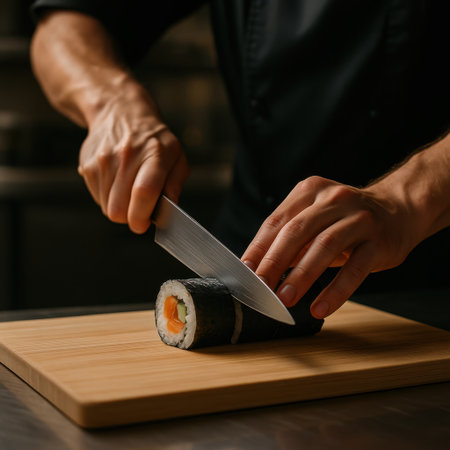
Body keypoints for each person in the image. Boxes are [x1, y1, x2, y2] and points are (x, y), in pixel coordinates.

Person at [30, 1, 450, 320]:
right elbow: (65, 22)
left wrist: (405, 200)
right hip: (250, 259)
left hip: (431, 279)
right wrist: (111, 102)